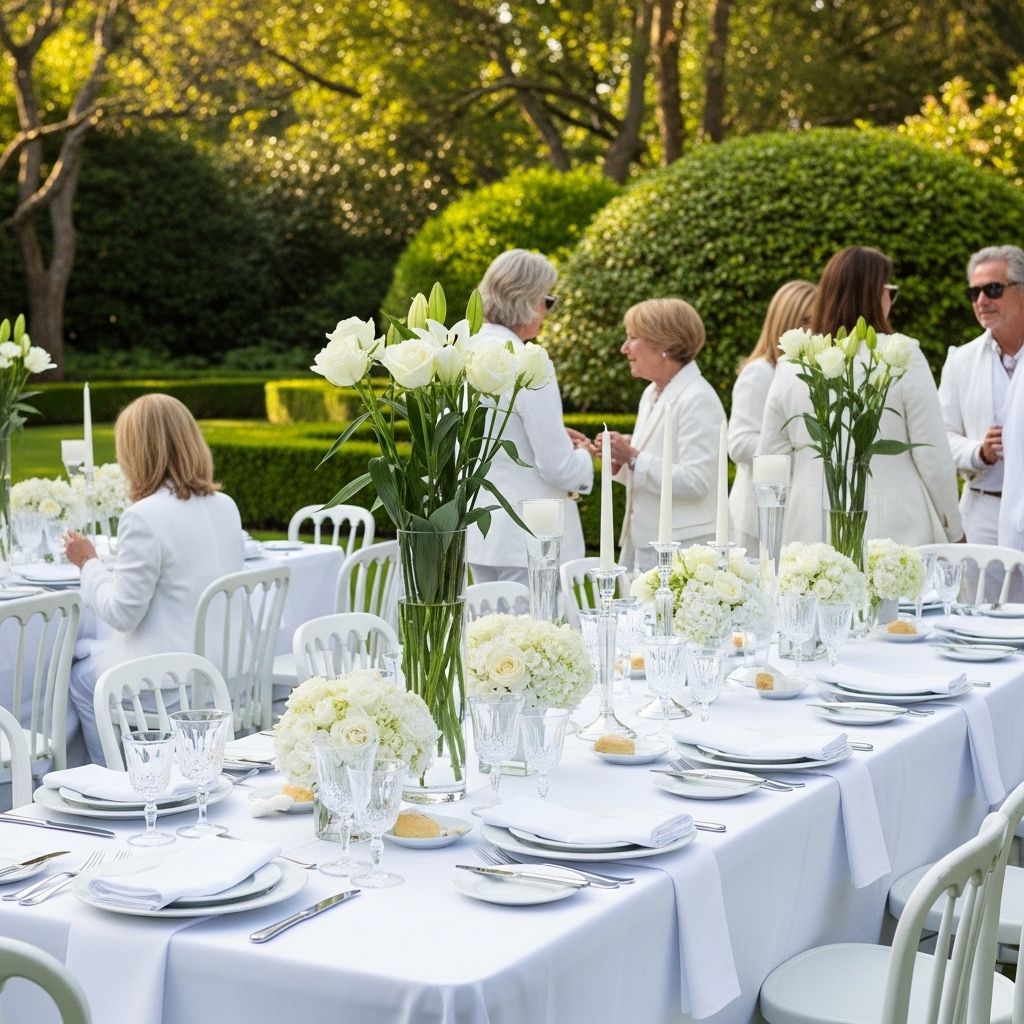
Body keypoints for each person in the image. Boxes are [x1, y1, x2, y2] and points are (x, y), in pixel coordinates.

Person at [64, 394, 244, 763]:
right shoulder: (225, 505)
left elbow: (120, 615)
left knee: (81, 678)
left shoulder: (143, 517)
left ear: (135, 452)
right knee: (91, 655)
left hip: (169, 685)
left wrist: (88, 563)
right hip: (222, 672)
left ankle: (115, 777)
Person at [757, 245, 963, 546]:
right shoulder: (901, 355)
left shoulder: (793, 363)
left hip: (808, 529)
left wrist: (770, 537)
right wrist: (953, 527)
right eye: (889, 291)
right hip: (895, 527)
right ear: (875, 294)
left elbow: (771, 458)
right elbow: (933, 457)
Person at [466, 249, 594, 585]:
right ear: (527, 300)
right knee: (535, 636)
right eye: (547, 301)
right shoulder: (528, 361)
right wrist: (586, 455)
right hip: (531, 536)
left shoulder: (460, 350)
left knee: (486, 635)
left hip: (476, 531)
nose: (547, 312)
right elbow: (558, 468)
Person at [605, 298, 726, 573]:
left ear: (664, 344)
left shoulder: (698, 398)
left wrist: (633, 458)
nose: (625, 348)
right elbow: (651, 465)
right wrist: (619, 457)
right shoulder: (651, 393)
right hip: (647, 542)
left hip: (685, 552)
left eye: (633, 338)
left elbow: (697, 482)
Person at [940, 245, 1024, 544]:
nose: (982, 300)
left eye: (993, 289)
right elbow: (941, 437)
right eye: (974, 293)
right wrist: (979, 452)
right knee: (976, 594)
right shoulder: (960, 360)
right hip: (982, 512)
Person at [728, 281, 817, 554]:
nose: (813, 329)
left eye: (818, 320)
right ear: (785, 322)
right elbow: (739, 444)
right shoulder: (760, 372)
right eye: (805, 320)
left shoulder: (810, 373)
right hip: (757, 516)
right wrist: (796, 447)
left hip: (791, 508)